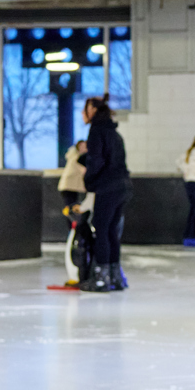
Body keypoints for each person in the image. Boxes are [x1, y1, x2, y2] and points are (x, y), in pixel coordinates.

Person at [79, 97, 131, 293]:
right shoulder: (114, 133)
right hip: (123, 186)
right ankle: (115, 277)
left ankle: (101, 278)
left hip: (108, 187)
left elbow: (97, 160)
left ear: (92, 110)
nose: (83, 115)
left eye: (84, 110)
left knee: (101, 229)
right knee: (110, 231)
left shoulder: (97, 132)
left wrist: (89, 181)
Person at [59, 139, 87, 208]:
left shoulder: (74, 157)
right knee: (71, 207)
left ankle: (72, 218)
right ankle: (72, 218)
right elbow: (83, 170)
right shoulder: (76, 158)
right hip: (69, 187)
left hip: (71, 187)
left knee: (72, 207)